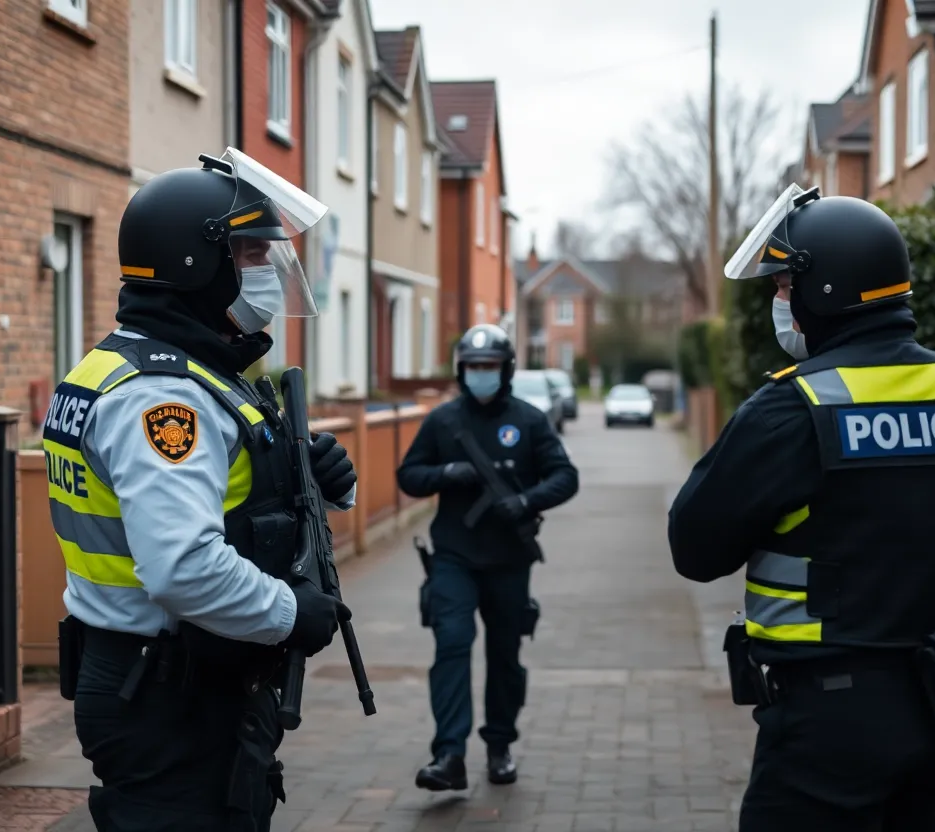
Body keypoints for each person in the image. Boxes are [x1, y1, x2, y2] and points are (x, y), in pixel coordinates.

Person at [667, 186, 935, 832]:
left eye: (782, 287)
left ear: (822, 289)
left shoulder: (792, 409)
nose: (781, 303)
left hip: (829, 726)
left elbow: (694, 549)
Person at [44, 148, 357, 831]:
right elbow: (183, 568)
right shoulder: (162, 399)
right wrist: (291, 613)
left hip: (170, 677)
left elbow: (225, 496)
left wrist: (316, 479)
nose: (265, 272)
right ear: (193, 262)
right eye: (248, 254)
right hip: (166, 691)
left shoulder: (147, 366)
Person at [396, 324, 579, 791]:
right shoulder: (442, 421)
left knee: (505, 655)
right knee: (452, 645)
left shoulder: (530, 421)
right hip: (454, 558)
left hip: (509, 561)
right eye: (473, 367)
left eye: (489, 367)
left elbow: (565, 476)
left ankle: (499, 745)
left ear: (507, 369)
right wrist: (445, 472)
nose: (481, 374)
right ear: (461, 370)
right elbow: (409, 475)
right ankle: (449, 755)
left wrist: (527, 501)